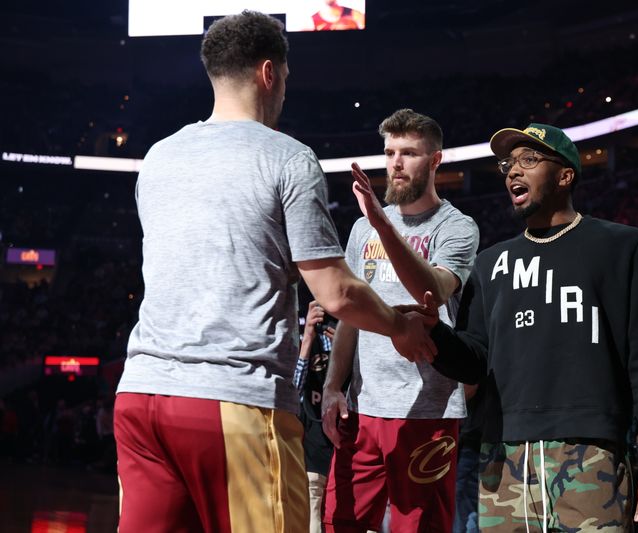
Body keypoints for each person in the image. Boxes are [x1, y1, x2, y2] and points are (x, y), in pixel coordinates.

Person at [113, 13, 435, 533]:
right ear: (269, 73)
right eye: (284, 77)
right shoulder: (286, 157)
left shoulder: (158, 157)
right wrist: (401, 327)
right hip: (232, 398)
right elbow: (336, 291)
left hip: (141, 399)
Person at [418, 122, 638, 532]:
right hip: (502, 459)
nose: (512, 171)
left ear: (565, 175)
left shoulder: (623, 247)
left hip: (591, 453)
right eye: (508, 163)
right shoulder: (489, 263)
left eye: (529, 159)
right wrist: (434, 331)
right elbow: (473, 361)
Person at [321, 108, 480, 532]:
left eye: (409, 152)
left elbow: (432, 288)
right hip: (363, 407)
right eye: (390, 151)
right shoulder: (362, 230)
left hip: (428, 411)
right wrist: (333, 386)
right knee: (341, 523)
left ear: (435, 160)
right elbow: (350, 317)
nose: (396, 162)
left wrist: (384, 227)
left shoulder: (457, 227)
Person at [294, 300, 338, 533]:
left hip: (345, 448)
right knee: (311, 522)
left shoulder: (352, 330)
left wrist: (346, 345)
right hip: (314, 447)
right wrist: (308, 336)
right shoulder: (311, 338)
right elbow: (294, 392)